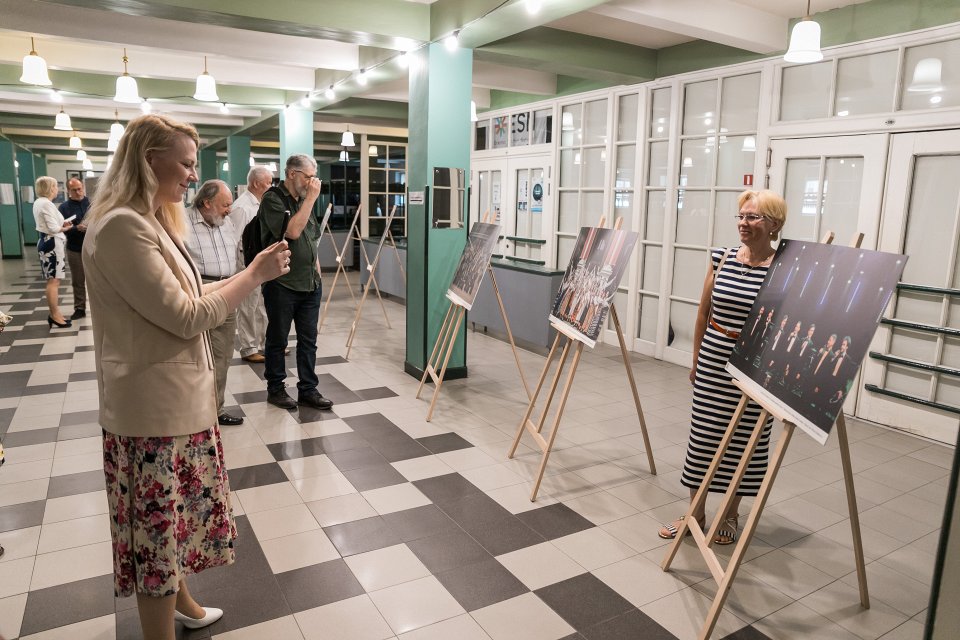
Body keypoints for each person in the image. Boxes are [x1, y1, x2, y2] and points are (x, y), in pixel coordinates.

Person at [82, 113, 290, 640]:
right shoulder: (122, 227)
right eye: (186, 163)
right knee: (157, 538)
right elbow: (186, 315)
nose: (193, 176)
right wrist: (253, 275)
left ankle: (186, 605)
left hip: (173, 401)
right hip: (150, 411)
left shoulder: (150, 219)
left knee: (171, 525)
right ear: (149, 160)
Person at [658, 189, 787, 546]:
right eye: (741, 216)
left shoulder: (782, 268)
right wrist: (696, 359)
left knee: (746, 442)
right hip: (715, 358)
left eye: (753, 217)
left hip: (752, 366)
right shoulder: (723, 257)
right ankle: (695, 513)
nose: (743, 224)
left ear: (774, 224)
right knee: (703, 437)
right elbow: (703, 312)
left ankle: (730, 513)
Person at [260, 154, 333, 411]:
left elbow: (311, 239)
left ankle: (308, 389)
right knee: (278, 339)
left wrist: (316, 270)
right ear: (292, 173)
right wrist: (311, 199)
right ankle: (276, 389)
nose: (312, 182)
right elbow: (292, 232)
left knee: (308, 340)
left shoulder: (304, 201)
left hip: (309, 284)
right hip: (282, 283)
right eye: (308, 176)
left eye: (314, 177)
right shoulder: (272, 199)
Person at [183, 179, 243, 427]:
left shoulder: (225, 222)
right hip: (198, 291)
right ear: (206, 203)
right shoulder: (183, 222)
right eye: (225, 204)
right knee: (193, 357)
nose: (230, 210)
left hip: (227, 290)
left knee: (222, 355)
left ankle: (215, 411)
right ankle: (192, 411)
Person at [227, 166, 273, 363]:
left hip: (261, 262)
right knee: (247, 305)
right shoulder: (242, 207)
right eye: (268, 182)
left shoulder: (260, 204)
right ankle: (248, 347)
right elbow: (233, 239)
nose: (271, 186)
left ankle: (264, 344)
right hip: (245, 263)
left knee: (261, 305)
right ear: (256, 183)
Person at [32, 176, 73, 328]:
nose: (57, 189)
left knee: (53, 280)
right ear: (51, 188)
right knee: (54, 281)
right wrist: (66, 228)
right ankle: (54, 315)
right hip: (52, 243)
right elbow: (53, 228)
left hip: (45, 241)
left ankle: (56, 313)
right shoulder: (47, 204)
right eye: (55, 186)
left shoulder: (39, 202)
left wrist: (61, 223)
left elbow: (50, 223)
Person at [59, 177, 91, 319]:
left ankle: (101, 307)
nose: (78, 192)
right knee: (78, 280)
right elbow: (61, 228)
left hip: (93, 247)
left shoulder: (92, 203)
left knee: (98, 280)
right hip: (74, 248)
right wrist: (76, 228)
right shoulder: (64, 208)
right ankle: (80, 308)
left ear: (83, 187)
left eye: (79, 188)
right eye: (74, 190)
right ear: (68, 191)